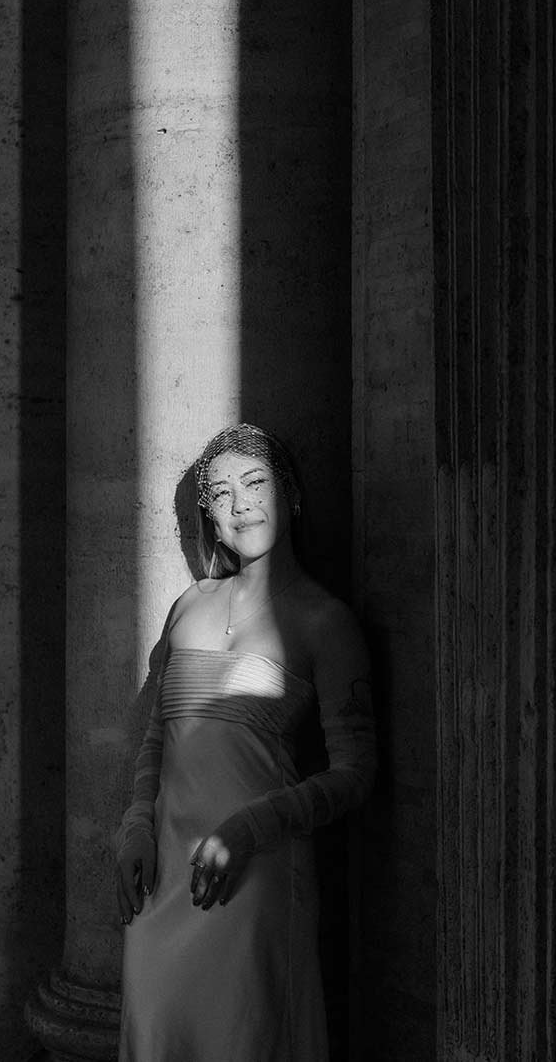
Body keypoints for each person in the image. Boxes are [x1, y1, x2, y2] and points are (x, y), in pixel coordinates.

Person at [115, 423, 377, 1062]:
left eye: (255, 483)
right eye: (221, 495)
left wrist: (252, 827)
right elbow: (158, 734)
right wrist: (134, 824)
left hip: (256, 876)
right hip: (163, 877)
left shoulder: (326, 621)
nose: (240, 506)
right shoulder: (188, 605)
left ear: (289, 493)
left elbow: (357, 772)